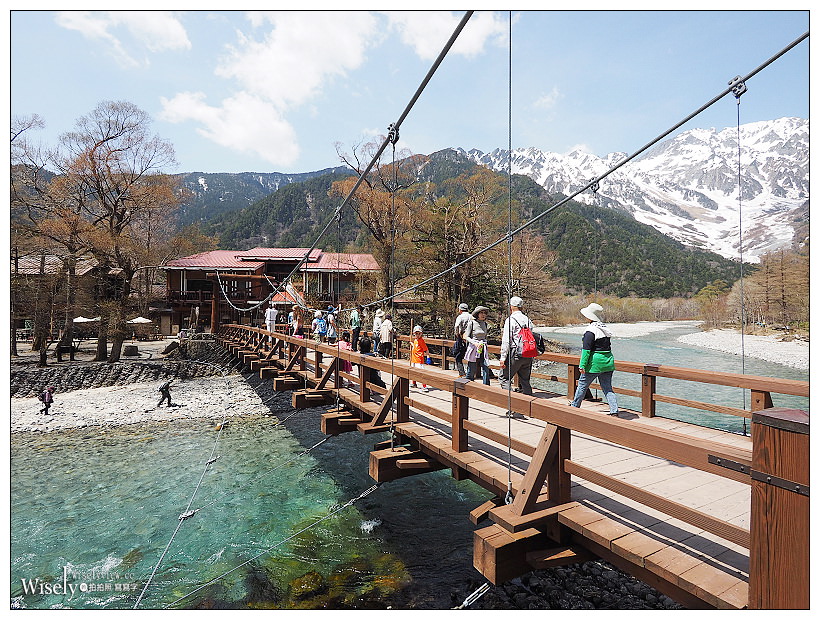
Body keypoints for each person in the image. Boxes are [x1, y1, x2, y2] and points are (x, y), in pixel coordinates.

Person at [570, 303, 619, 416]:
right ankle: (614, 410)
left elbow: (586, 351)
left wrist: (582, 365)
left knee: (582, 385)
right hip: (608, 362)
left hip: (595, 363)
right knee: (607, 388)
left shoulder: (590, 331)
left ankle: (574, 407)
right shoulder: (605, 329)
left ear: (589, 317)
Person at [499, 296, 534, 396]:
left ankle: (511, 404)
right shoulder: (527, 319)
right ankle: (528, 404)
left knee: (504, 378)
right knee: (525, 380)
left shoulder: (511, 320)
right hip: (527, 352)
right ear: (521, 307)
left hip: (515, 353)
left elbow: (506, 340)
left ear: (511, 307)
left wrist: (503, 357)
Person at [464, 306, 491, 385]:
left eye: (484, 313)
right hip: (474, 346)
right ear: (477, 314)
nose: (483, 315)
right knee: (472, 366)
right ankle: (469, 383)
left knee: (485, 365)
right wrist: (474, 343)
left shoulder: (485, 324)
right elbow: (466, 336)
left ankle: (486, 385)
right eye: (481, 313)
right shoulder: (472, 323)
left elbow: (485, 336)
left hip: (483, 346)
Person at [453, 303, 472, 377]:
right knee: (471, 355)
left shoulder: (460, 317)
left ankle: (462, 372)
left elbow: (457, 326)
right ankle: (470, 373)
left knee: (457, 354)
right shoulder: (471, 316)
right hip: (470, 338)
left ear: (460, 310)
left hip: (462, 337)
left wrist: (457, 334)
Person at [409, 325, 429, 392]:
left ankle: (424, 386)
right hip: (413, 359)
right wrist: (412, 344)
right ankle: (414, 383)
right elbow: (416, 347)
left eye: (419, 333)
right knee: (413, 371)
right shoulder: (415, 340)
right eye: (416, 333)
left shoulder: (421, 341)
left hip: (419, 359)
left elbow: (426, 349)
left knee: (421, 373)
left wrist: (428, 357)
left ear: (421, 333)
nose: (417, 335)